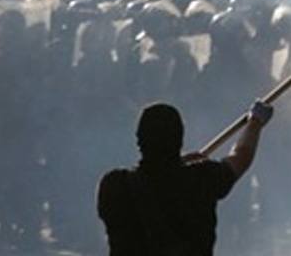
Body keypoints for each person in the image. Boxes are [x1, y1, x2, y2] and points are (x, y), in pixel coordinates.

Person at [96, 100, 273, 256]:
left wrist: (178, 163)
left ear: (139, 140)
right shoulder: (202, 179)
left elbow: (157, 180)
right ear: (180, 140)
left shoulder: (115, 186)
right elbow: (241, 156)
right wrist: (255, 122)